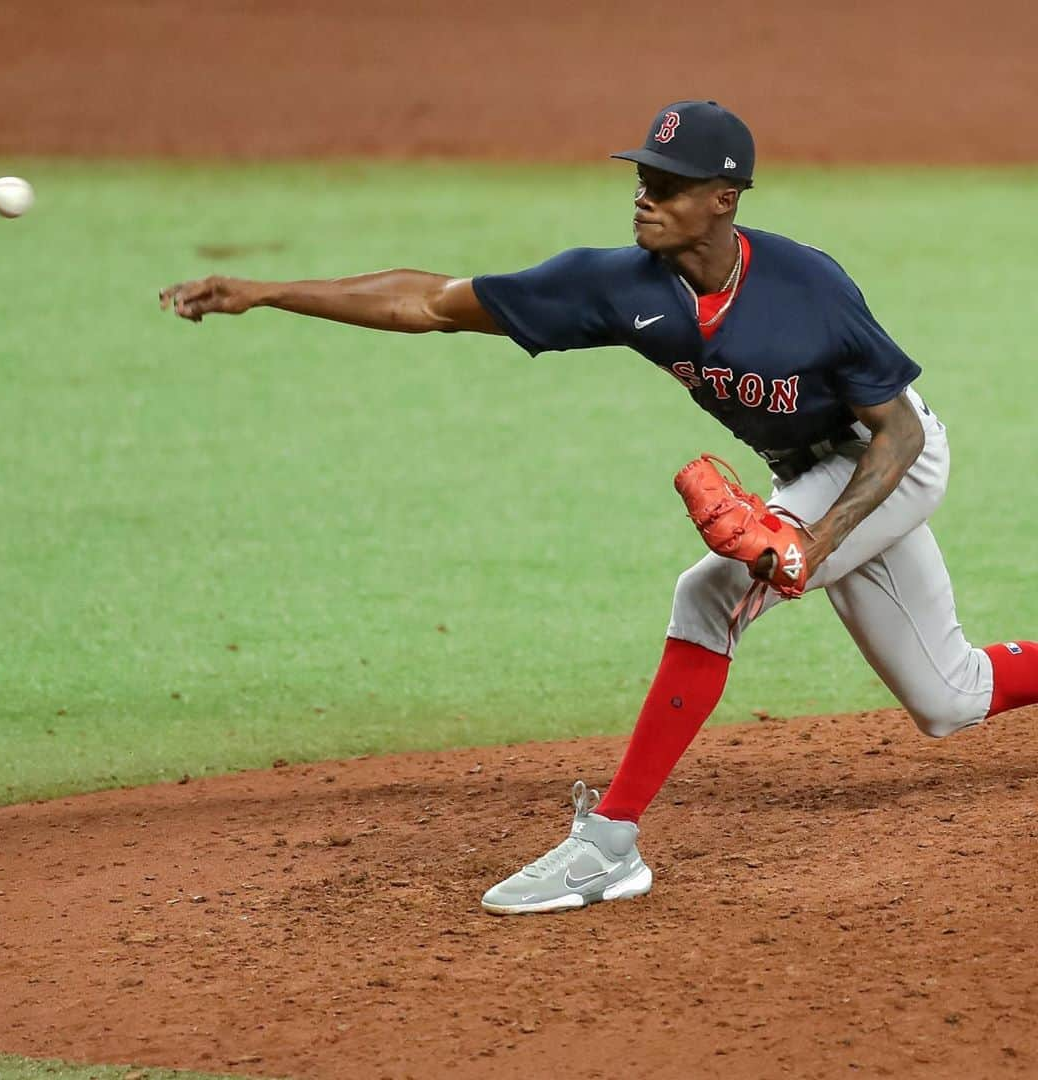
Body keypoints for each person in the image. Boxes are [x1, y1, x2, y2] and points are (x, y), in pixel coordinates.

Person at [160, 100, 1038, 917]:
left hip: (883, 463)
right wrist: (269, 292)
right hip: (807, 474)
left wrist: (814, 534)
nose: (643, 198)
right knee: (947, 698)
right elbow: (428, 302)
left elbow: (897, 438)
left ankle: (611, 842)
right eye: (641, 178)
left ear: (725, 198)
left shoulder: (811, 289)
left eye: (668, 184)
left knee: (709, 593)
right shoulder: (618, 286)